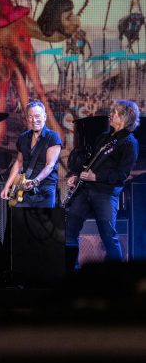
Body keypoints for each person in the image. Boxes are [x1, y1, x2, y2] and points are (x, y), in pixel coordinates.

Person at [65, 100, 140, 264]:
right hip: (85, 191)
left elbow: (121, 175)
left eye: (115, 113)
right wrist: (78, 175)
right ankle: (71, 271)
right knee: (69, 230)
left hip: (105, 194)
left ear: (125, 118)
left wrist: (96, 177)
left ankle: (116, 277)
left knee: (108, 236)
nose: (110, 115)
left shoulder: (130, 143)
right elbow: (90, 163)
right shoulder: (104, 138)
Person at [1, 100, 62, 208]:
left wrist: (35, 181)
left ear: (45, 116)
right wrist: (7, 186)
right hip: (24, 189)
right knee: (21, 223)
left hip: (44, 190)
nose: (34, 120)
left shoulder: (52, 137)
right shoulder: (23, 138)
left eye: (37, 116)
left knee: (43, 224)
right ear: (27, 118)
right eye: (30, 117)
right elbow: (19, 163)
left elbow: (50, 165)